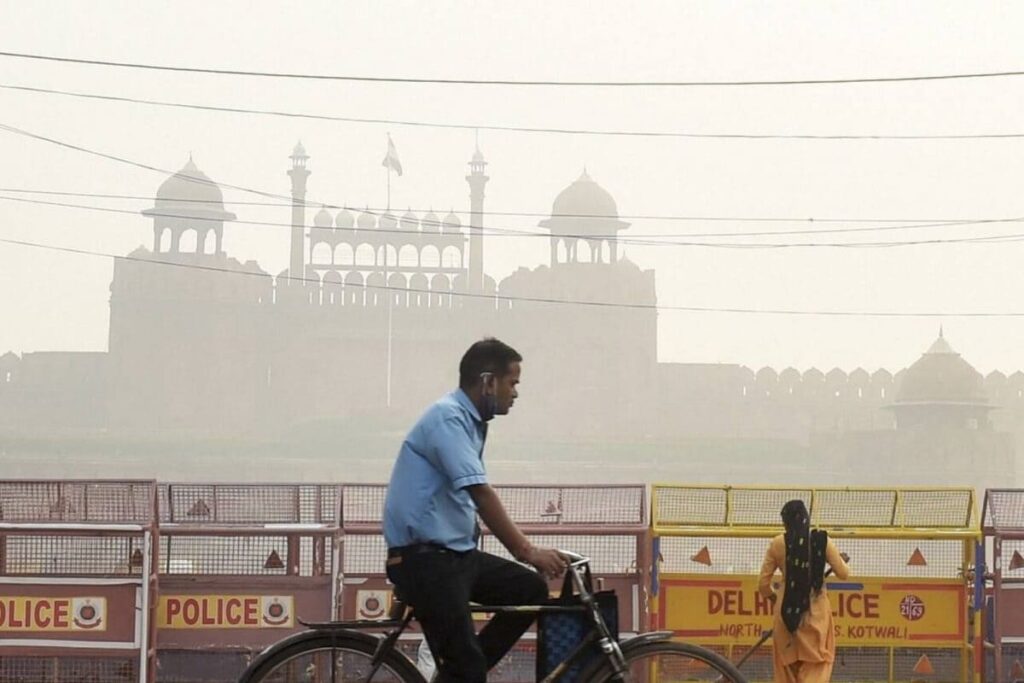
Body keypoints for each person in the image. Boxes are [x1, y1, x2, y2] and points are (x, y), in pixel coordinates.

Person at [383, 338, 568, 683]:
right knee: (466, 669)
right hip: (425, 561)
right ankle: (464, 671)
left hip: (455, 556)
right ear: (488, 381)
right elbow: (481, 493)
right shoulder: (447, 420)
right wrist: (528, 551)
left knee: (530, 591)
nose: (515, 393)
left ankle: (462, 672)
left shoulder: (471, 423)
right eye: (512, 383)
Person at [758, 499, 850, 683]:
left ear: (785, 522)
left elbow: (762, 584)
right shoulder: (822, 541)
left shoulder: (777, 544)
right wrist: (839, 559)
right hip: (815, 615)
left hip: (785, 614)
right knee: (818, 663)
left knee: (786, 671)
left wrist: (775, 599)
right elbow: (843, 574)